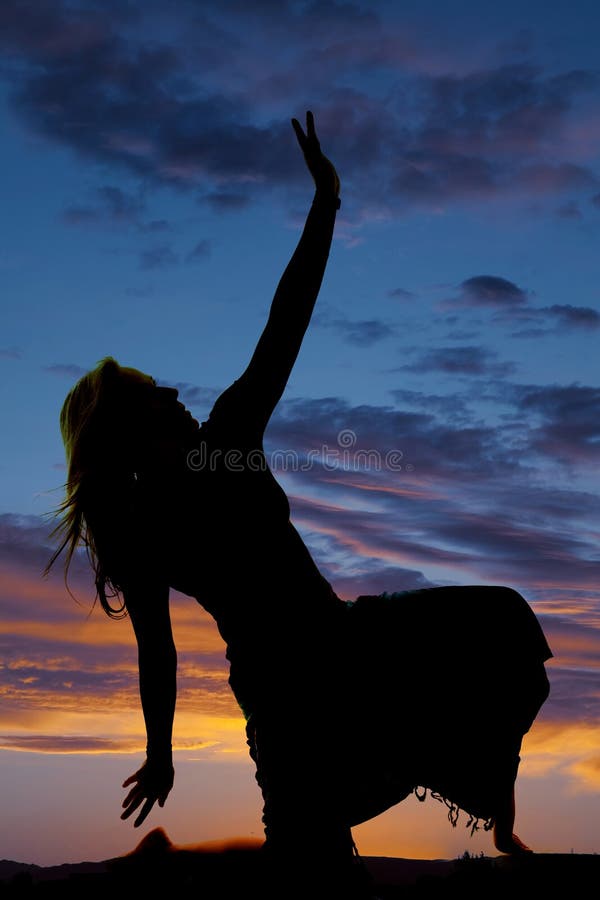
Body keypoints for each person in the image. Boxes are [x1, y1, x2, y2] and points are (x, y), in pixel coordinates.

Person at [46, 112, 552, 898]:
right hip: (284, 701)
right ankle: (421, 784)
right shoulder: (145, 525)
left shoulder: (228, 438)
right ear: (133, 434)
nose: (175, 392)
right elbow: (158, 653)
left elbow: (288, 320)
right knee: (307, 874)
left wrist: (326, 206)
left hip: (347, 646)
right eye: (154, 395)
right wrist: (160, 752)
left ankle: (467, 787)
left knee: (504, 625)